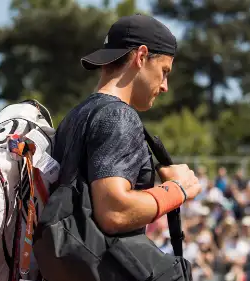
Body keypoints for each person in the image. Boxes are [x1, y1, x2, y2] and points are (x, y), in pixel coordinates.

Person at [52, 14, 201, 245]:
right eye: (164, 71)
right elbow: (114, 211)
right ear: (141, 56)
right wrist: (177, 190)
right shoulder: (119, 115)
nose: (164, 86)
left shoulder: (74, 116)